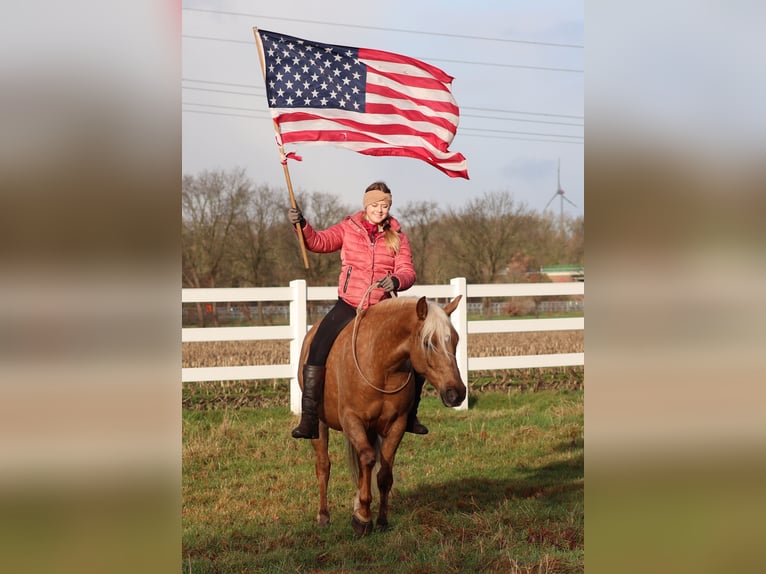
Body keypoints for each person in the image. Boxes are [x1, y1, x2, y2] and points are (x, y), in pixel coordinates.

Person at [288, 181, 429, 439]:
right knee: (318, 345)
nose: (380, 209)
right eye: (375, 205)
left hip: (383, 308)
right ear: (366, 205)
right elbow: (319, 241)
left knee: (417, 349)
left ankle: (411, 414)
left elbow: (408, 270)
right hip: (350, 304)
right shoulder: (348, 229)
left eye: (385, 205)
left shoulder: (399, 236)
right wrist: (303, 226)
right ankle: (309, 417)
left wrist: (398, 280)